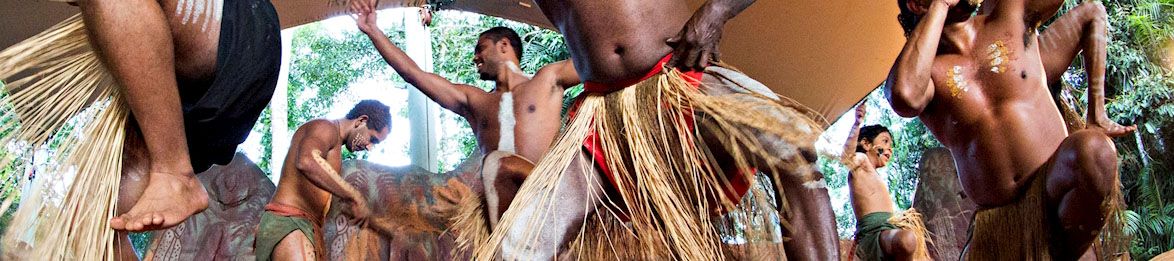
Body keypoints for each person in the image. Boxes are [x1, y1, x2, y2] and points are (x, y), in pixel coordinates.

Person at [474, 0, 839, 259]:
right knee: (516, 246)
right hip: (602, 120)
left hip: (682, 80)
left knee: (791, 144)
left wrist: (717, 10)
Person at [886, 0, 1131, 258]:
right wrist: (940, 5)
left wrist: (1097, 112)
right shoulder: (926, 73)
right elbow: (905, 96)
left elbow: (1092, 10)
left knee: (1095, 151)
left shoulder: (1008, 14)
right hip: (999, 223)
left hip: (1056, 192)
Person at [351, 1, 580, 253]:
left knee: (499, 163)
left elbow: (604, 61)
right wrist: (373, 30)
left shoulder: (548, 79)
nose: (475, 56)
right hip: (509, 219)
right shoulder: (475, 101)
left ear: (504, 45)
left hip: (549, 195)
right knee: (496, 164)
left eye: (480, 48)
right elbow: (413, 73)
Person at [254, 100, 391, 261]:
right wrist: (353, 195)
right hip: (290, 221)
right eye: (372, 139)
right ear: (361, 121)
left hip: (302, 225)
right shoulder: (326, 128)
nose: (369, 147)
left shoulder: (336, 147)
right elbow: (307, 160)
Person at [841, 105, 930, 261]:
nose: (890, 148)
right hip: (874, 234)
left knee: (911, 242)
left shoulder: (876, 175)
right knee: (906, 240)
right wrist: (857, 123)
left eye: (891, 145)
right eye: (885, 141)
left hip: (888, 231)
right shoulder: (861, 163)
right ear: (866, 144)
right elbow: (846, 158)